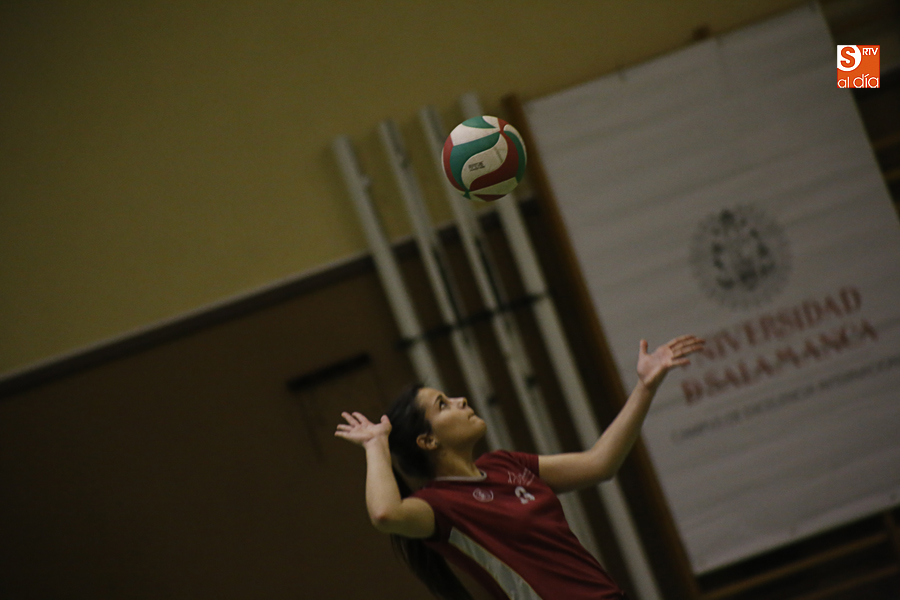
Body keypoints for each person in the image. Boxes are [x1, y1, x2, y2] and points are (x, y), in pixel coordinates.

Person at [335, 334, 704, 600]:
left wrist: (645, 388)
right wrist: (375, 443)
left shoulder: (503, 463)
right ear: (428, 441)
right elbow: (385, 513)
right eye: (443, 405)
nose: (461, 400)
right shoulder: (439, 506)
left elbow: (599, 464)